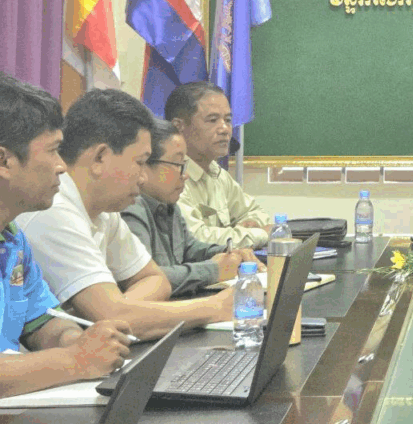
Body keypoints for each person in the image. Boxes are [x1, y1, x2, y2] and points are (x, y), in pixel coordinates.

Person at [19, 89, 234, 341]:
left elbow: (156, 280)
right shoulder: (52, 210)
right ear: (100, 157)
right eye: (140, 162)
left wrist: (119, 308)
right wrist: (215, 307)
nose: (143, 178)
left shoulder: (104, 208)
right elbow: (115, 317)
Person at [0, 73, 132, 398]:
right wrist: (77, 360)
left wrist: (76, 340)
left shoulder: (12, 238)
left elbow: (42, 321)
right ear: (4, 160)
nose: (62, 166)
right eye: (53, 151)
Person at [122, 119, 262, 298]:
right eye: (178, 165)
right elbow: (146, 278)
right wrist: (214, 270)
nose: (185, 175)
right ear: (144, 165)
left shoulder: (169, 205)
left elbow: (190, 248)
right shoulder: (129, 209)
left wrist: (229, 253)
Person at [168, 82, 272, 248]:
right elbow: (196, 239)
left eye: (228, 120)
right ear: (178, 127)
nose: (225, 129)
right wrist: (260, 234)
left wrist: (251, 222)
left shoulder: (216, 172)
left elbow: (255, 212)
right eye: (212, 120)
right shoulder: (168, 176)